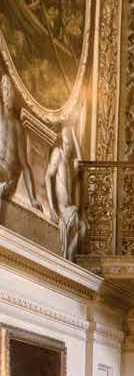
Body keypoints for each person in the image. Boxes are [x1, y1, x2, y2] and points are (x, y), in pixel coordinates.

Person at [0, 73, 40, 210]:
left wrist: (33, 199)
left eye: (11, 92)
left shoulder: (17, 127)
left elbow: (25, 165)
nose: (9, 94)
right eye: (6, 90)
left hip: (7, 178)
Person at [45, 123, 83, 261]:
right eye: (66, 144)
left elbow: (81, 161)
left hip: (69, 209)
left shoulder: (70, 164)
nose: (68, 148)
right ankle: (69, 255)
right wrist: (51, 208)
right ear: (62, 143)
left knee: (84, 228)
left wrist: (73, 134)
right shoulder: (58, 154)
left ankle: (70, 254)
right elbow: (47, 176)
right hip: (63, 210)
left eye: (70, 145)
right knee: (83, 227)